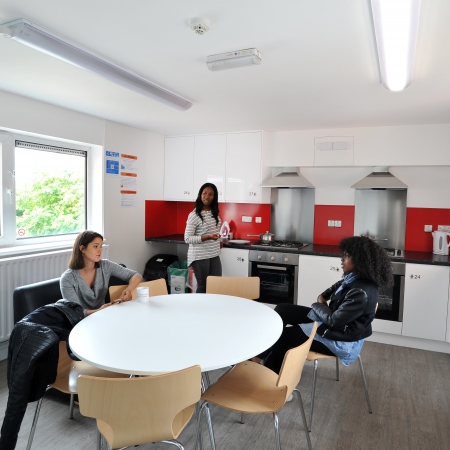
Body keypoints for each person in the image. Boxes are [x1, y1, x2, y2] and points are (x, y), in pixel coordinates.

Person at [254, 236, 393, 374]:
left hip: (340, 340)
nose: (342, 259)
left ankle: (271, 378)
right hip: (332, 324)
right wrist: (323, 297)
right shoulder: (355, 278)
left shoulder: (361, 292)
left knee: (283, 337)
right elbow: (338, 286)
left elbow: (333, 320)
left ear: (360, 260)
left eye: (346, 256)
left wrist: (318, 304)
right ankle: (261, 356)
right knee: (283, 309)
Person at [60, 230, 142, 316]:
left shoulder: (105, 265)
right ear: (82, 248)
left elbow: (136, 275)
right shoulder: (67, 278)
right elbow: (76, 312)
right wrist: (99, 310)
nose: (100, 251)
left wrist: (129, 290)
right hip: (83, 321)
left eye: (101, 246)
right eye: (95, 246)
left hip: (104, 315)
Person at [184, 183, 222, 293]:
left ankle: (213, 305)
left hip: (214, 253)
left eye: (210, 194)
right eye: (204, 193)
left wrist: (219, 241)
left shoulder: (214, 213)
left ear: (214, 197)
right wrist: (208, 237)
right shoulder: (194, 215)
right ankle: (199, 305)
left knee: (216, 284)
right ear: (200, 194)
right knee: (203, 286)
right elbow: (187, 238)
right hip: (199, 255)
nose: (207, 196)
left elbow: (215, 231)